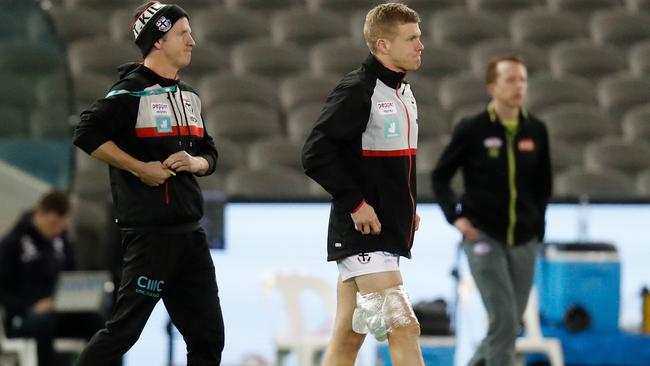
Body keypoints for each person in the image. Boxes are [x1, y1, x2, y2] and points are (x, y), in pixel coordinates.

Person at [72, 2, 224, 365]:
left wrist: (196, 162)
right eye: (183, 34)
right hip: (151, 237)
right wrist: (139, 167)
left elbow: (211, 153)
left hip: (190, 235)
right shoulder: (128, 93)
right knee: (122, 333)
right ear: (158, 40)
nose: (193, 42)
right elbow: (86, 133)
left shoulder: (189, 95)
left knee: (208, 338)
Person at [302, 3, 425, 365]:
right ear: (382, 45)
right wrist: (356, 203)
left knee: (348, 337)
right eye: (412, 38)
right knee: (403, 327)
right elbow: (315, 153)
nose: (421, 45)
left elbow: (392, 163)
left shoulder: (404, 91)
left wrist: (407, 206)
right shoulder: (358, 89)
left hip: (385, 232)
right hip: (363, 235)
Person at [432, 55, 553, 366]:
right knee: (503, 320)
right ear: (492, 87)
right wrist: (455, 217)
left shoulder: (536, 130)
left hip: (524, 239)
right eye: (510, 80)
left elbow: (543, 186)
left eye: (523, 80)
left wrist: (538, 230)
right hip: (484, 235)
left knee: (510, 325)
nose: (519, 86)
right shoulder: (473, 129)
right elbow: (440, 176)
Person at [0, 191, 106, 366]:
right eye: (53, 224)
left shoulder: (62, 241)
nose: (56, 230)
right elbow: (2, 290)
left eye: (61, 225)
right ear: (39, 214)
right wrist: (31, 306)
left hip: (58, 312)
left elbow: (71, 277)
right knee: (44, 324)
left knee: (98, 323)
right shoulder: (13, 243)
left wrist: (77, 298)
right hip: (23, 317)